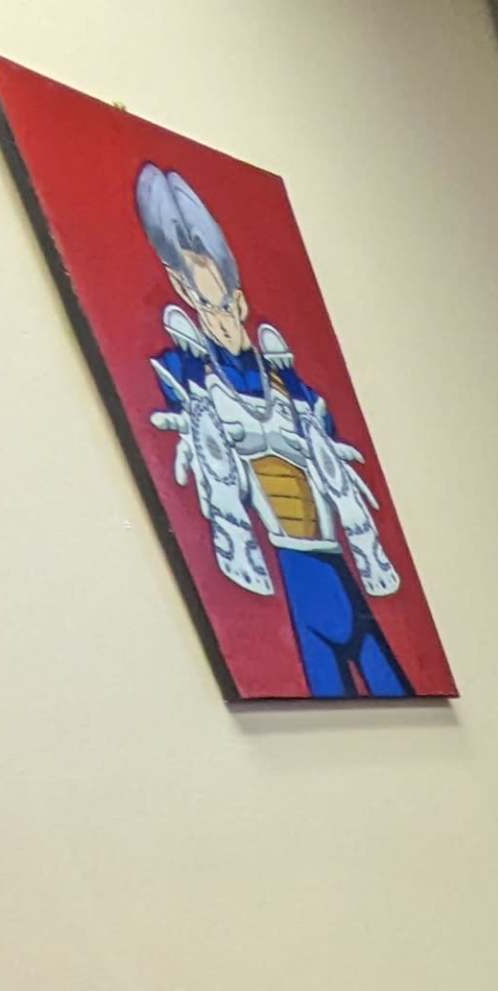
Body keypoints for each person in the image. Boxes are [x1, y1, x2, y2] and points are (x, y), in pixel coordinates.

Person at [134, 164, 410, 696]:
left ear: (238, 301)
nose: (218, 318)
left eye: (223, 304)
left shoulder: (288, 380)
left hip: (330, 553)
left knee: (379, 673)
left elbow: (330, 444)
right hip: (287, 558)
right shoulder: (186, 369)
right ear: (184, 295)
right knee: (329, 679)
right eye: (204, 304)